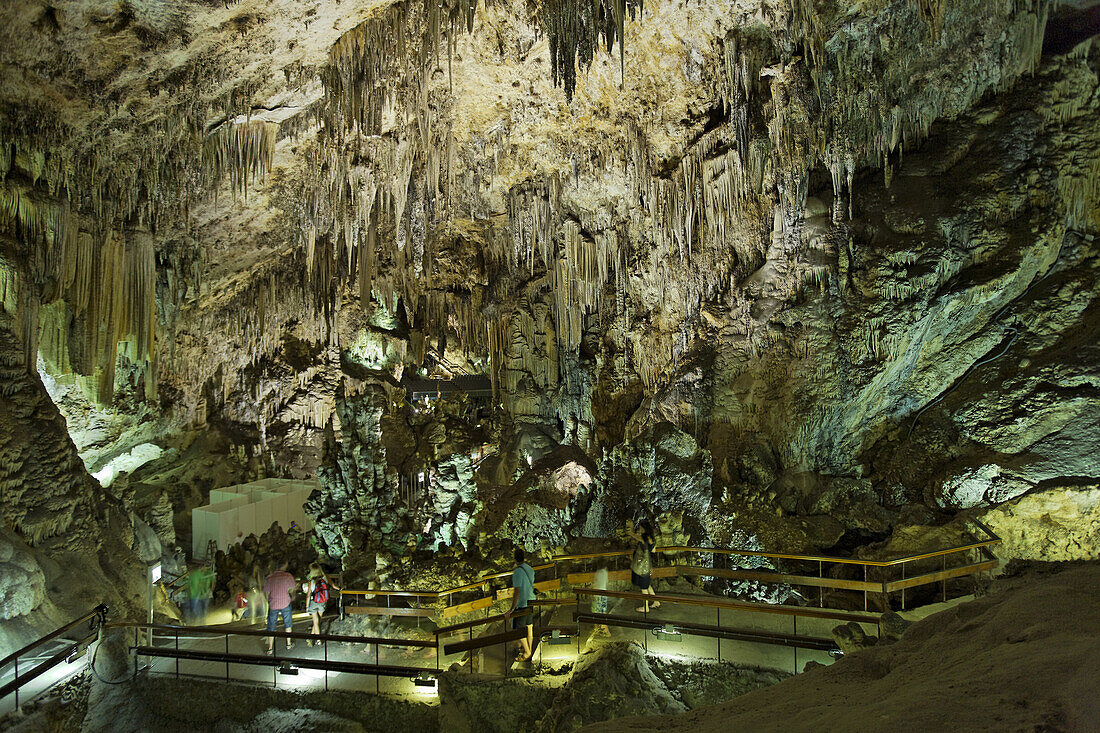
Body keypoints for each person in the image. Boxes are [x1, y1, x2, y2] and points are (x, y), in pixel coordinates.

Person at [504, 547, 535, 662]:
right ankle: (529, 650)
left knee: (520, 630)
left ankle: (527, 653)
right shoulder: (530, 569)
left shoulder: (517, 572)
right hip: (531, 601)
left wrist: (512, 608)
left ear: (515, 559)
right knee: (529, 627)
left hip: (522, 604)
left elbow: (517, 591)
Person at [263, 561, 297, 654]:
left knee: (271, 626)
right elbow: (293, 588)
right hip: (285, 602)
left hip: (273, 604)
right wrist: (292, 597)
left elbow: (265, 592)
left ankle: (270, 648)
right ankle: (288, 644)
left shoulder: (270, 578)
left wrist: (269, 601)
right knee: (288, 623)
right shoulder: (288, 576)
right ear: (284, 565)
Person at [626, 519, 659, 613]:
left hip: (642, 567)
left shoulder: (644, 538)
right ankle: (656, 601)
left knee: (644, 588)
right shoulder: (652, 539)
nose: (639, 530)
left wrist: (630, 526)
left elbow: (632, 534)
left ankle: (645, 607)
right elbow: (653, 551)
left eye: (640, 528)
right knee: (647, 585)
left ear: (644, 529)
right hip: (648, 565)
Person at [303, 563, 334, 646]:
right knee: (318, 620)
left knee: (316, 621)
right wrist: (340, 588)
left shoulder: (311, 582)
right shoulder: (325, 578)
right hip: (323, 602)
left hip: (314, 602)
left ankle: (318, 640)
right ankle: (311, 637)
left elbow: (308, 595)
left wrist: (307, 607)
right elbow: (333, 585)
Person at [591, 566, 611, 636]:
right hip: (603, 593)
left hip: (597, 594)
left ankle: (597, 628)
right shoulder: (605, 571)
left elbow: (596, 583)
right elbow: (606, 582)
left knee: (595, 612)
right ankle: (605, 630)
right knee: (603, 611)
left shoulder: (598, 572)